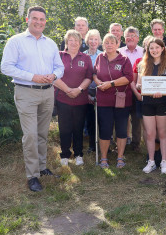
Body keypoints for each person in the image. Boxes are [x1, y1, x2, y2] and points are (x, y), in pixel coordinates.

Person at [1, 6, 64, 192]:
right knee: (30, 135)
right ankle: (32, 176)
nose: (38, 22)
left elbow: (60, 67)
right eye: (34, 18)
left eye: (42, 19)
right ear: (27, 20)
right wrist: (32, 76)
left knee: (43, 133)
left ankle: (42, 167)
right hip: (26, 92)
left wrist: (53, 76)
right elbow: (6, 67)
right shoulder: (16, 42)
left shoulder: (51, 43)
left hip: (47, 92)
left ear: (45, 22)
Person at [93, 33, 133, 169]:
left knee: (121, 130)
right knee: (105, 130)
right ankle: (104, 158)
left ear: (117, 45)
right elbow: (94, 73)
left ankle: (120, 157)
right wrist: (98, 82)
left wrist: (110, 83)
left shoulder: (124, 59)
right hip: (103, 100)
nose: (109, 45)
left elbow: (129, 78)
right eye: (106, 42)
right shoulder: (99, 57)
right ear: (103, 44)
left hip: (121, 100)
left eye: (112, 42)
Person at [54, 30, 93, 166]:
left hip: (80, 99)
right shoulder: (59, 56)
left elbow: (89, 77)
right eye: (71, 40)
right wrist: (67, 90)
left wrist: (79, 90)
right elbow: (54, 75)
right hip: (62, 98)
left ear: (80, 42)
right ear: (66, 42)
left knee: (78, 127)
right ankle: (64, 154)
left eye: (77, 40)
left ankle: (78, 154)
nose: (74, 43)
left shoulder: (86, 58)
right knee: (64, 127)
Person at [137, 38, 166, 174]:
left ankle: (164, 162)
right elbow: (137, 84)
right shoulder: (144, 64)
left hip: (163, 103)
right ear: (148, 50)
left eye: (157, 48)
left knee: (162, 133)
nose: (154, 50)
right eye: (151, 48)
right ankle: (151, 161)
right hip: (147, 103)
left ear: (163, 48)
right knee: (150, 133)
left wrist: (163, 90)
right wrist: (142, 86)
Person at [119, 27, 144, 151]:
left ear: (138, 38)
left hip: (137, 90)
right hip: (120, 90)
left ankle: (136, 144)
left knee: (136, 118)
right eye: (128, 36)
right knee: (121, 117)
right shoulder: (118, 51)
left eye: (133, 35)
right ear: (124, 38)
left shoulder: (144, 52)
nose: (130, 38)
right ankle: (119, 142)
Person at [83, 29, 102, 153]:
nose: (93, 41)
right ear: (87, 40)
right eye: (91, 39)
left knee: (102, 120)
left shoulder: (103, 55)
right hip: (86, 92)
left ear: (99, 41)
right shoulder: (83, 55)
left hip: (101, 91)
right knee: (90, 119)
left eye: (96, 39)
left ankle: (103, 145)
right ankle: (91, 145)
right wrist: (86, 94)